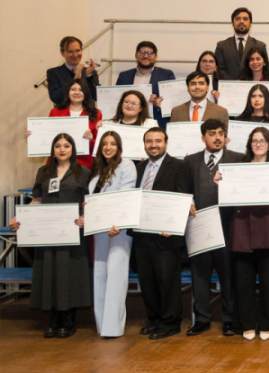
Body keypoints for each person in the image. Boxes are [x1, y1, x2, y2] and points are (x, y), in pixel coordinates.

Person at [8, 134, 90, 338]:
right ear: (52, 149)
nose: (62, 149)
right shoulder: (43, 172)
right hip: (47, 232)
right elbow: (37, 200)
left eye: (67, 145)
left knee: (70, 271)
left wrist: (84, 217)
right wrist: (20, 217)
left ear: (73, 149)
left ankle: (69, 316)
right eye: (58, 146)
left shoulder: (84, 172)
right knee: (49, 271)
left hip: (72, 231)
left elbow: (89, 202)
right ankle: (54, 316)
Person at [218, 127, 269, 341]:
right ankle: (247, 323)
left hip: (268, 232)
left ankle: (266, 323)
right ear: (249, 145)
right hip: (241, 233)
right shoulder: (237, 168)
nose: (258, 144)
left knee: (268, 284)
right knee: (243, 283)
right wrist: (221, 184)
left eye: (262, 140)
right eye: (254, 141)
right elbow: (227, 204)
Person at [184, 119, 242, 337]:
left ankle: (228, 319)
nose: (217, 137)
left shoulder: (237, 159)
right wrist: (187, 201)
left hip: (227, 227)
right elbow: (183, 190)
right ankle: (201, 319)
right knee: (199, 275)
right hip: (198, 226)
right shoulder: (189, 162)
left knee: (228, 275)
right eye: (212, 133)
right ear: (203, 138)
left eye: (221, 133)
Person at [132, 127, 191, 340]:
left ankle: (170, 322)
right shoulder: (138, 168)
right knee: (147, 281)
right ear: (144, 144)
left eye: (158, 141)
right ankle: (154, 319)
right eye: (149, 141)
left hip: (167, 234)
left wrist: (173, 224)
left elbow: (182, 195)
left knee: (167, 281)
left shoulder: (179, 166)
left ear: (166, 143)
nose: (153, 145)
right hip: (141, 233)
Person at [87, 130, 137, 337]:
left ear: (119, 147)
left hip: (119, 229)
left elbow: (126, 196)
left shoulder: (127, 166)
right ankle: (101, 325)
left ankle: (113, 327)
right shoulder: (97, 168)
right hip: (99, 228)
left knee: (116, 274)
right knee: (99, 272)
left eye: (113, 143)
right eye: (105, 144)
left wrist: (117, 223)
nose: (108, 147)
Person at [43, 79, 102, 169]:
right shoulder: (55, 112)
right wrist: (33, 135)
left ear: (86, 93)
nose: (77, 92)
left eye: (81, 90)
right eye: (73, 89)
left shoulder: (96, 114)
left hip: (84, 163)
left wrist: (90, 140)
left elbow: (100, 144)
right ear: (68, 92)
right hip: (58, 163)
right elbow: (47, 136)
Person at [115, 41, 176, 127]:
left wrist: (159, 103)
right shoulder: (124, 76)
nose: (146, 56)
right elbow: (117, 99)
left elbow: (173, 102)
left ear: (156, 56)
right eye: (142, 52)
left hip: (156, 123)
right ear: (136, 55)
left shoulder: (166, 75)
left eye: (150, 53)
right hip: (128, 123)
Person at [215, 7, 268, 80]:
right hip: (228, 88)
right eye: (238, 19)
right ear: (232, 23)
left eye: (245, 19)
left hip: (252, 87)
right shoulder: (222, 46)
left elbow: (265, 70)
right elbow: (219, 70)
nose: (241, 21)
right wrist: (235, 83)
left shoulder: (260, 45)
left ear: (250, 23)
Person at [47, 35, 99, 105]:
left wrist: (89, 77)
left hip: (86, 114)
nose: (75, 55)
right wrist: (74, 80)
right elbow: (55, 97)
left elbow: (96, 96)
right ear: (62, 53)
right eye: (70, 52)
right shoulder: (54, 73)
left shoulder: (90, 72)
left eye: (78, 50)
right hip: (64, 114)